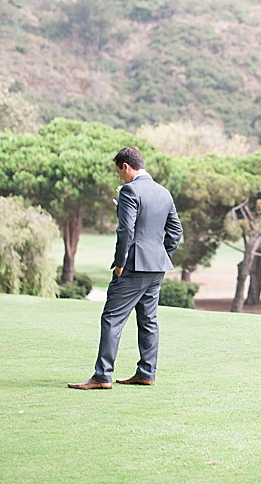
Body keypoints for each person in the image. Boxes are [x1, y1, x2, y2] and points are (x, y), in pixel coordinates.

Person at [68, 147, 182, 390]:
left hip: (132, 267)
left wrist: (120, 263)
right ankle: (146, 372)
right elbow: (176, 231)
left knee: (112, 318)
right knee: (149, 320)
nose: (119, 176)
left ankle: (102, 376)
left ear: (126, 167)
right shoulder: (164, 192)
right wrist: (161, 257)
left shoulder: (130, 190)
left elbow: (126, 231)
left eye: (119, 171)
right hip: (155, 269)